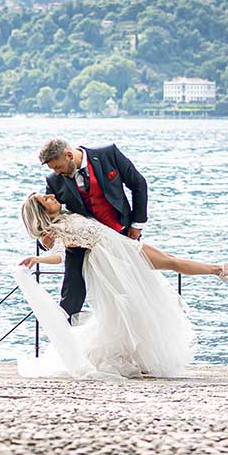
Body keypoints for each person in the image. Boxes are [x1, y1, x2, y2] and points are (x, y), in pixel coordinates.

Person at [13, 191, 228, 378]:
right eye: (46, 200)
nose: (52, 196)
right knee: (144, 293)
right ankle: (219, 269)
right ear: (42, 212)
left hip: (121, 245)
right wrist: (38, 259)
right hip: (111, 259)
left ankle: (218, 269)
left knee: (170, 263)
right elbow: (59, 256)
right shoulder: (57, 229)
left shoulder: (69, 211)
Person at [38, 137, 148, 319]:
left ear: (68, 155)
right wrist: (44, 240)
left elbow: (138, 183)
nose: (56, 173)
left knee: (130, 288)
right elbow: (46, 215)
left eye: (57, 167)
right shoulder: (54, 181)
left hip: (120, 234)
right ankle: (66, 340)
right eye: (53, 169)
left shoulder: (108, 154)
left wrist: (136, 225)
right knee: (71, 296)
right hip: (82, 240)